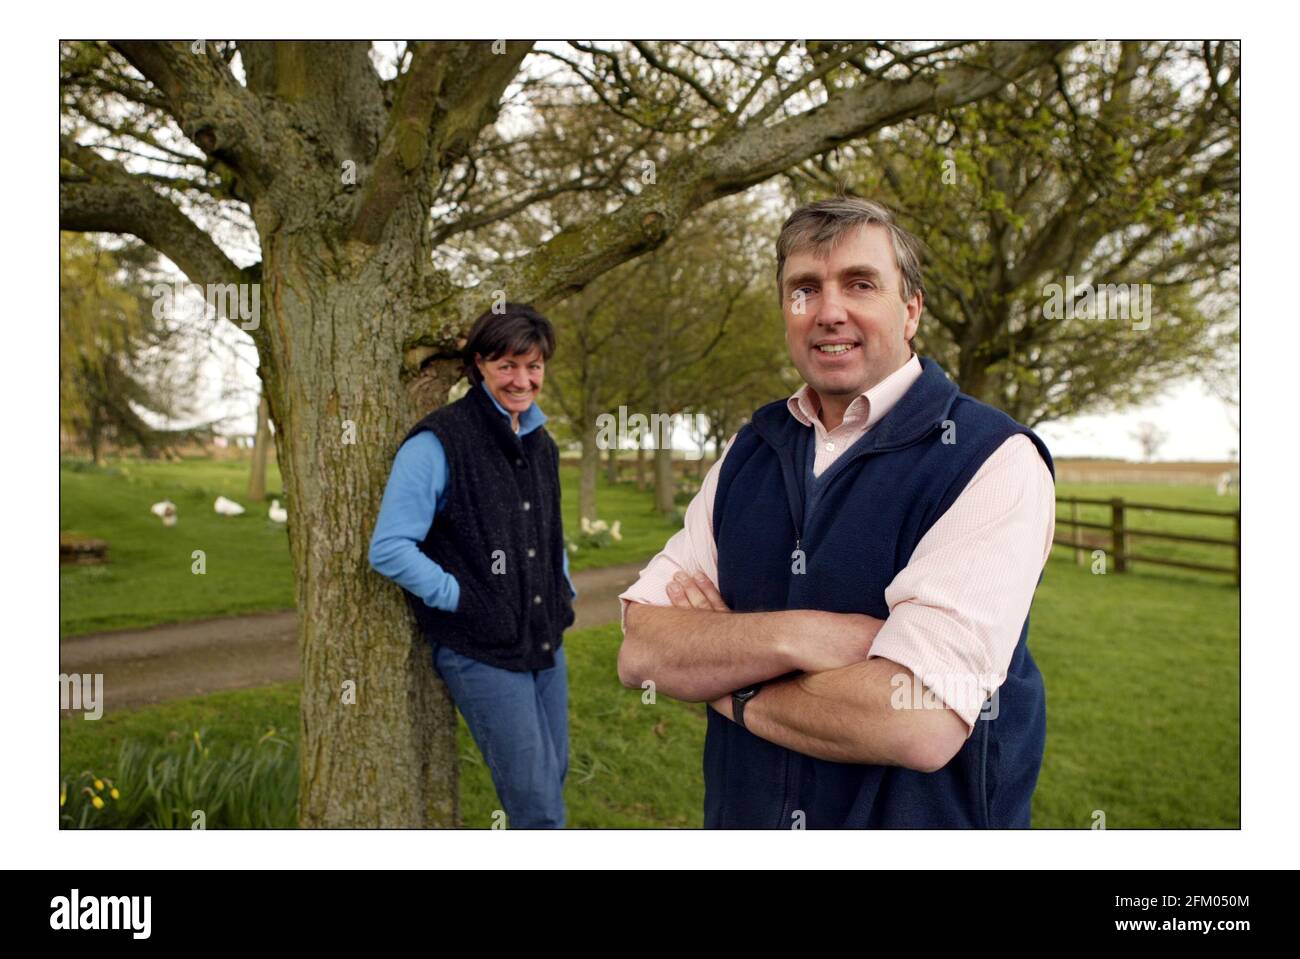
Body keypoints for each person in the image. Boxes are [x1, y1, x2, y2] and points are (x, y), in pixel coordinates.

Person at [617, 197, 1056, 828]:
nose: (828, 311)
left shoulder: (993, 459)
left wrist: (725, 678)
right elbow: (641, 650)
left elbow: (916, 722)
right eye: (804, 289)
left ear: (911, 310)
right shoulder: (751, 450)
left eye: (860, 283)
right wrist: (804, 637)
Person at [369, 303, 576, 828]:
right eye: (507, 366)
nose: (522, 379)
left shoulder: (541, 443)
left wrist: (563, 590)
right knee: (539, 810)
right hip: (480, 649)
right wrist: (463, 598)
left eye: (533, 366)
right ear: (479, 365)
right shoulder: (439, 442)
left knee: (555, 774)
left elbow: (548, 532)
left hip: (544, 638)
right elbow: (389, 548)